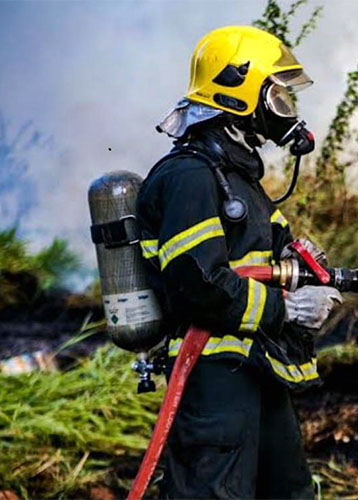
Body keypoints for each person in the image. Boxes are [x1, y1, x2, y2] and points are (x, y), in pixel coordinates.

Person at [136, 26, 341, 499]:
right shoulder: (190, 177)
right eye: (277, 95)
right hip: (214, 380)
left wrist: (306, 271)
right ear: (240, 92)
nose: (285, 109)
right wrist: (287, 309)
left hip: (257, 366)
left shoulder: (238, 180)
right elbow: (199, 285)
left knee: (289, 493)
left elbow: (275, 253)